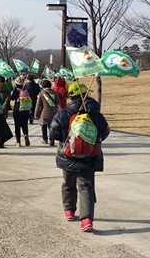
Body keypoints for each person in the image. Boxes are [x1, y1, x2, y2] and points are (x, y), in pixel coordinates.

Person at [50, 83, 109, 232]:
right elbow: (105, 131)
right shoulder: (96, 114)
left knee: (68, 183)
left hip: (68, 155)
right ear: (86, 95)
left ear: (71, 96)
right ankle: (87, 219)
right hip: (90, 156)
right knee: (86, 186)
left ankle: (69, 210)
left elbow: (54, 132)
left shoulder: (64, 113)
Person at [34, 79, 60, 146]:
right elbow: (58, 104)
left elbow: (38, 105)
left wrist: (36, 114)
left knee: (44, 126)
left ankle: (45, 139)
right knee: (51, 127)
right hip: (53, 112)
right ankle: (52, 140)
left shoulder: (42, 93)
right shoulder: (55, 93)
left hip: (44, 112)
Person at [10, 76, 31, 147]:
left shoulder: (16, 90)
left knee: (17, 126)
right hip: (26, 110)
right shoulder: (27, 90)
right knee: (25, 125)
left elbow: (12, 98)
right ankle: (25, 135)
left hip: (17, 110)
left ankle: (18, 142)